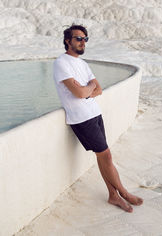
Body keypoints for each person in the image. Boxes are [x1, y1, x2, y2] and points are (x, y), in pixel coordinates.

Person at [53, 24, 143, 212]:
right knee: (106, 155)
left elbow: (98, 88)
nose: (83, 42)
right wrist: (87, 89)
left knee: (103, 157)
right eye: (78, 38)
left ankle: (113, 196)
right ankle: (123, 193)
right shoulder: (62, 63)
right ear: (68, 41)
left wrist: (87, 90)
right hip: (81, 118)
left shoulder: (83, 64)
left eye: (85, 39)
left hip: (94, 113)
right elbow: (78, 93)